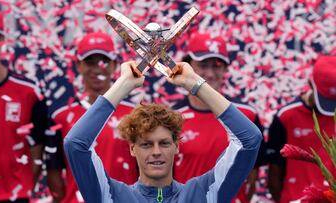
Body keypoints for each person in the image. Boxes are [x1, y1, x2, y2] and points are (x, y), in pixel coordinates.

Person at [63, 60, 262, 202]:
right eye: (146, 144)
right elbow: (75, 144)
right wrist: (122, 86)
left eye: (164, 143)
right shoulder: (112, 195)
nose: (156, 151)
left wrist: (195, 84)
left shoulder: (203, 193)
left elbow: (250, 140)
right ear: (132, 149)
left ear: (176, 146)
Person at [173, 31, 266, 202]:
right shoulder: (171, 118)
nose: (210, 73)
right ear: (188, 65)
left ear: (225, 69)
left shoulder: (246, 116)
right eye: (203, 64)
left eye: (216, 64)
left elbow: (252, 173)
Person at [46, 32, 138, 202]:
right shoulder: (60, 116)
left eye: (103, 61)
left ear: (115, 65)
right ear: (79, 65)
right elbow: (54, 170)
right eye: (90, 62)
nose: (97, 68)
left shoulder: (136, 114)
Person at [0, 7, 47, 202]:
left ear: (2, 41)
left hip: (15, 197)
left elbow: (37, 150)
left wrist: (21, 189)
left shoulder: (29, 91)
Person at [267, 55, 336, 203]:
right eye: (326, 100)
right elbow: (274, 171)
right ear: (311, 83)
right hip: (296, 198)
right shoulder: (287, 116)